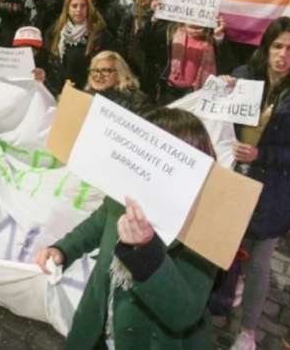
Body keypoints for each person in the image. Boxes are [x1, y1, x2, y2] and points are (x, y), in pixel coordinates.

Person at [35, 108, 218, 350]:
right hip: (98, 327)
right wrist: (64, 249)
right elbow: (99, 221)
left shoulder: (207, 226)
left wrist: (145, 251)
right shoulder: (129, 190)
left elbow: (183, 313)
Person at [227, 17, 290, 350]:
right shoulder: (242, 77)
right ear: (266, 48)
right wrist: (218, 91)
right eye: (277, 46)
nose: (283, 55)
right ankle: (217, 299)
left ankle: (247, 330)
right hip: (231, 183)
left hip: (273, 191)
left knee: (258, 263)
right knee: (220, 249)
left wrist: (263, 154)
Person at [45, 0, 113, 96]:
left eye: (83, 6)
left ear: (88, 8)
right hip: (58, 93)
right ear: (67, 9)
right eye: (74, 6)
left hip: (86, 95)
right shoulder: (55, 31)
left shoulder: (99, 35)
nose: (79, 10)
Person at [85, 50, 149, 114]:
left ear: (120, 74)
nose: (99, 75)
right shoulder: (85, 96)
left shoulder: (137, 101)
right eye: (95, 70)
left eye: (106, 71)